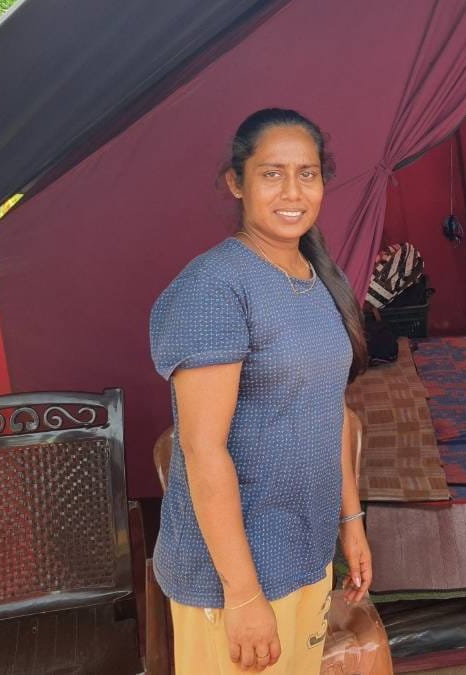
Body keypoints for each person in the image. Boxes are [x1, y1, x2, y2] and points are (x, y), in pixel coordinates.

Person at [150, 108, 372, 673]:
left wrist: (351, 523)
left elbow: (333, 413)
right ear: (236, 182)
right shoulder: (214, 288)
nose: (293, 191)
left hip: (304, 549)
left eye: (309, 173)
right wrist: (244, 596)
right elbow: (202, 451)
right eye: (272, 173)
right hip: (233, 575)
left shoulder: (312, 274)